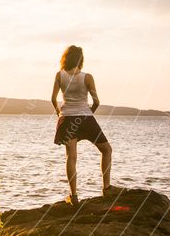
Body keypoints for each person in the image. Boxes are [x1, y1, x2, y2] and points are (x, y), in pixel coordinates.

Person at [51, 45, 122, 205]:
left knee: (71, 157)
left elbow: (53, 99)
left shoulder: (59, 75)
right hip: (86, 117)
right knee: (107, 150)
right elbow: (96, 101)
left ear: (66, 58)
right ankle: (107, 188)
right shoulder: (87, 77)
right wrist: (90, 113)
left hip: (67, 118)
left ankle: (74, 196)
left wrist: (59, 114)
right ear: (80, 60)